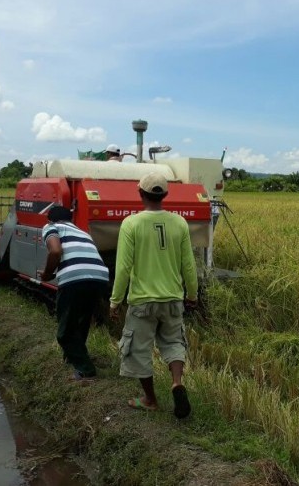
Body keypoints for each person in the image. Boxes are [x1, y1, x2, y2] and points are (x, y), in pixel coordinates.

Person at [109, 173, 197, 418]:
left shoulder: (131, 223)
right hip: (172, 299)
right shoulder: (179, 223)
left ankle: (150, 399)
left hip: (142, 301)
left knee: (139, 349)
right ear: (165, 195)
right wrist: (192, 294)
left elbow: (124, 267)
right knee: (173, 343)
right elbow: (188, 265)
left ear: (140, 193)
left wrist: (115, 301)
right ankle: (177, 383)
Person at [40, 206, 109, 382]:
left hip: (74, 278)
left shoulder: (51, 227)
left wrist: (47, 274)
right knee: (81, 321)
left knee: (65, 331)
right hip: (100, 277)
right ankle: (73, 357)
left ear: (50, 220)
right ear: (70, 219)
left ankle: (85, 370)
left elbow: (55, 251)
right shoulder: (83, 232)